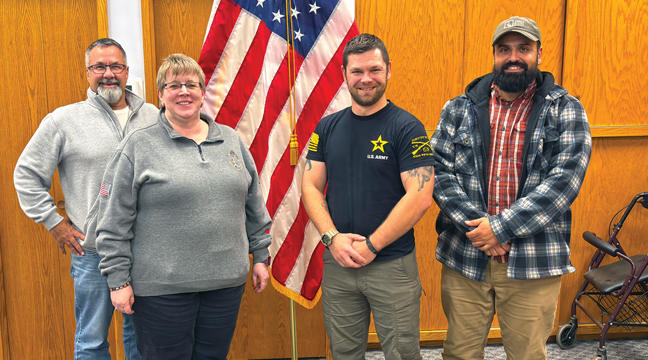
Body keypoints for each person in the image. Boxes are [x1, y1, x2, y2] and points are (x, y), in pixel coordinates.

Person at [431, 16, 592, 360]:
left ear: (539, 53)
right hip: (465, 257)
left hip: (533, 261)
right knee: (458, 353)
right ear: (494, 54)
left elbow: (565, 181)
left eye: (524, 48)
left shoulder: (566, 109)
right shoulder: (459, 109)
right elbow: (438, 173)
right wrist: (481, 230)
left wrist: (500, 227)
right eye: (505, 49)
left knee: (527, 355)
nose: (514, 56)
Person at [94, 53, 272, 360]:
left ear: (203, 93)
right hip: (161, 290)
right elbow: (113, 222)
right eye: (173, 85)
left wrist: (261, 255)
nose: (184, 91)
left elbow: (253, 204)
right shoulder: (137, 147)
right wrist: (117, 280)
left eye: (191, 84)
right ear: (161, 95)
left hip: (224, 285)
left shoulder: (230, 140)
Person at [13, 38, 157, 359]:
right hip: (93, 254)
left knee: (144, 342)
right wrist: (55, 223)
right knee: (91, 343)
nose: (108, 73)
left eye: (115, 66)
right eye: (99, 67)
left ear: (126, 70)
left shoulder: (152, 116)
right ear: (87, 73)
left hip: (147, 252)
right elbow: (26, 175)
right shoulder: (63, 121)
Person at [302, 34, 435, 360]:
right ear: (344, 74)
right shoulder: (327, 127)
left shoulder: (407, 128)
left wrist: (372, 244)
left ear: (388, 70)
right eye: (357, 71)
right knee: (344, 353)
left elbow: (420, 196)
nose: (366, 79)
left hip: (391, 265)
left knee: (402, 353)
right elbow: (310, 185)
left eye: (374, 70)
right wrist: (332, 238)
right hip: (339, 262)